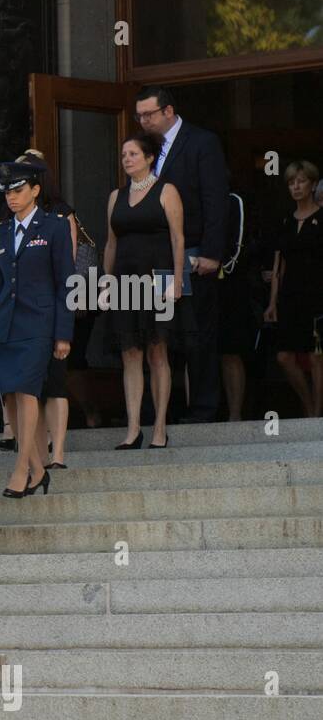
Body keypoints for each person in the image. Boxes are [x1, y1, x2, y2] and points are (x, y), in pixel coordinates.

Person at [136, 85, 228, 424]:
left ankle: (203, 409)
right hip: (155, 257)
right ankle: (162, 411)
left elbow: (215, 199)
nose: (143, 121)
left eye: (149, 114)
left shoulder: (201, 142)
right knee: (161, 333)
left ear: (169, 111)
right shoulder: (144, 148)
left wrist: (212, 252)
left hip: (192, 253)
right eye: (139, 115)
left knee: (197, 331)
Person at [0, 159, 73, 497]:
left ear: (35, 190)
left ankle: (21, 468)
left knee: (28, 392)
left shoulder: (54, 227)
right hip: (5, 326)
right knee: (10, 399)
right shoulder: (0, 232)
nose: (12, 197)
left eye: (19, 190)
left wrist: (63, 333)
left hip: (39, 324)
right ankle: (37, 469)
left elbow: (67, 283)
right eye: (7, 192)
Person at [103, 132, 186, 449]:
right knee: (130, 353)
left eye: (133, 154)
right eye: (124, 154)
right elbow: (111, 242)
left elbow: (178, 239)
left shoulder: (167, 191)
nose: (127, 159)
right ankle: (133, 428)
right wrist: (106, 282)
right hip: (125, 280)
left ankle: (160, 427)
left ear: (150, 157)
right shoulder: (115, 196)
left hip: (159, 278)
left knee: (157, 350)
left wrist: (177, 280)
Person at [265, 160, 323, 417]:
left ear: (312, 184)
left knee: (316, 356)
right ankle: (308, 405)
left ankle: (316, 416)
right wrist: (272, 302)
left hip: (318, 293)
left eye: (301, 181)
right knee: (284, 356)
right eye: (291, 182)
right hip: (289, 294)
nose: (296, 187)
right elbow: (279, 265)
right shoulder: (286, 220)